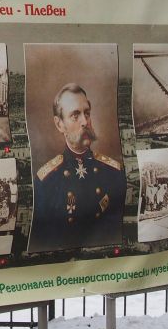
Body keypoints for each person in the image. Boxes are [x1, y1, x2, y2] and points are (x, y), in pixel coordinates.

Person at [28, 83, 125, 252]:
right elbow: (40, 243)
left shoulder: (113, 172)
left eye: (87, 113)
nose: (85, 122)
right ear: (59, 125)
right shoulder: (46, 180)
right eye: (75, 115)